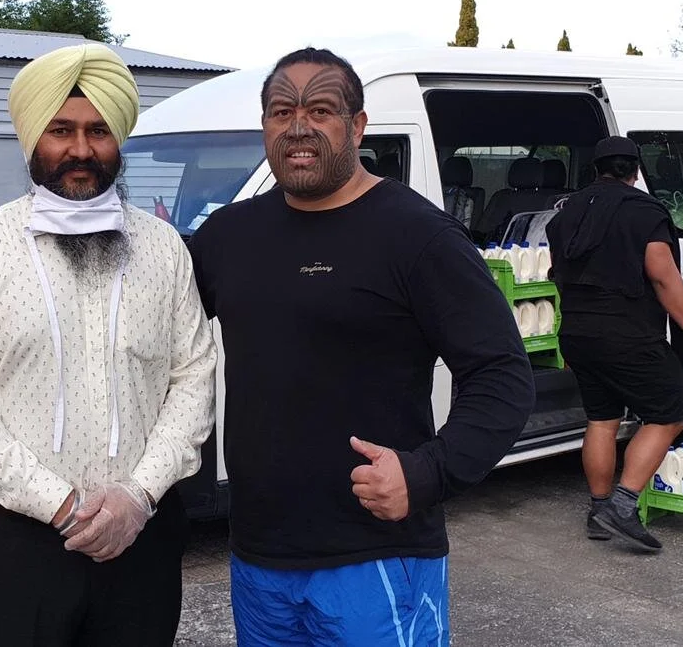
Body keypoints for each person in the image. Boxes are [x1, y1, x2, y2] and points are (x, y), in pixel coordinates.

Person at [186, 47, 535, 645]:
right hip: (258, 556)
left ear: (358, 125)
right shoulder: (228, 236)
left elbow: (502, 376)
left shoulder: (417, 236)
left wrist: (427, 473)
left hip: (375, 555)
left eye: (320, 109)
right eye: (280, 111)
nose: (297, 126)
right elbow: (151, 338)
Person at [0, 42, 216, 646]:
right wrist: (59, 504)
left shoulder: (164, 250)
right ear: (33, 137)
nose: (80, 150)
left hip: (142, 535)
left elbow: (193, 378)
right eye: (61, 130)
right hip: (18, 540)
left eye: (98, 131)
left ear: (119, 141)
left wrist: (137, 497)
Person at [545, 135, 683, 553]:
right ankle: (622, 505)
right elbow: (662, 275)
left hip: (579, 333)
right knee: (668, 414)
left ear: (596, 170)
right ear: (635, 170)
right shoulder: (644, 212)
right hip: (628, 334)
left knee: (601, 418)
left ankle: (598, 510)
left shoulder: (565, 215)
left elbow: (559, 276)